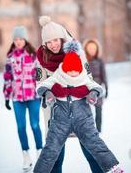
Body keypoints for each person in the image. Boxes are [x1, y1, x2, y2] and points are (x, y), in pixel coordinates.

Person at [34, 41, 124, 173]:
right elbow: (41, 86)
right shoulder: (58, 76)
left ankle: (113, 167)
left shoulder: (84, 77)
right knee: (51, 148)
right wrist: (48, 93)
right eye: (69, 70)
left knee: (95, 143)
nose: (72, 74)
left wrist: (93, 94)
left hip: (83, 119)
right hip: (60, 120)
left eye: (75, 71)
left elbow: (97, 87)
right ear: (64, 68)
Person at [36, 16, 104, 173]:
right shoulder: (41, 58)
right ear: (44, 43)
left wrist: (89, 94)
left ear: (61, 38)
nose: (53, 44)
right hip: (54, 107)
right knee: (55, 151)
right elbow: (39, 83)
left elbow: (88, 78)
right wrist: (49, 94)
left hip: (78, 104)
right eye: (49, 41)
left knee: (90, 145)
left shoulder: (77, 53)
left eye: (56, 40)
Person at [3, 26, 43, 172]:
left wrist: (42, 92)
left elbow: (39, 75)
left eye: (21, 39)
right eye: (16, 39)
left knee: (34, 125)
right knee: (21, 127)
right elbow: (7, 78)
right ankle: (26, 155)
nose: (18, 42)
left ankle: (40, 153)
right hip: (17, 98)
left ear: (25, 39)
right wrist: (7, 97)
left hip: (33, 96)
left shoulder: (33, 55)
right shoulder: (10, 57)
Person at [83, 39, 108, 132]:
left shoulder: (100, 61)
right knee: (88, 111)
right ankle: (90, 130)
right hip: (87, 87)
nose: (92, 50)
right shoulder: (84, 60)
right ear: (86, 49)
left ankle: (98, 130)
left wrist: (107, 88)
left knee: (98, 110)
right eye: (90, 48)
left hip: (98, 88)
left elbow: (104, 75)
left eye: (94, 48)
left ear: (97, 49)